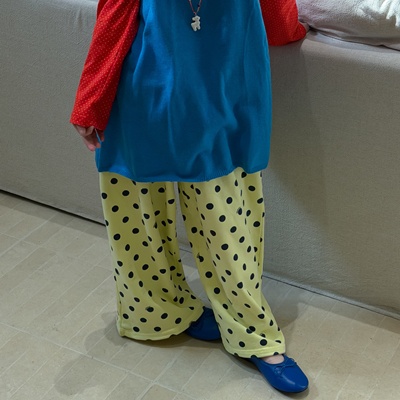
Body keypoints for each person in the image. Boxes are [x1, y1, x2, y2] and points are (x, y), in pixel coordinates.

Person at [71, 0, 309, 393]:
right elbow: (116, 11)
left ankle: (251, 332)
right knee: (138, 215)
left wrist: (290, 27)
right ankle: (158, 312)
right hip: (146, 84)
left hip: (221, 90)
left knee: (227, 221)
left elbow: (278, 18)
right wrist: (90, 100)